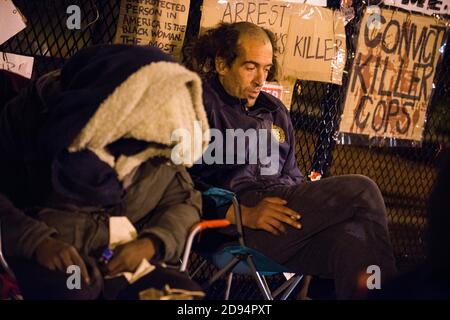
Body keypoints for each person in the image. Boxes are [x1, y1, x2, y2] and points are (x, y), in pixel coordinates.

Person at [184, 22, 397, 299]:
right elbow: (176, 187)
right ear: (222, 64)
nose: (261, 79)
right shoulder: (197, 105)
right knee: (362, 190)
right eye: (250, 67)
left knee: (355, 239)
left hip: (285, 222)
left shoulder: (275, 111)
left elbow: (293, 177)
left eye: (266, 68)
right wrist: (244, 215)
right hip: (236, 228)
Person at [0, 44, 209, 299]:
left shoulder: (160, 142)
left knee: (185, 296)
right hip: (45, 253)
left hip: (124, 259)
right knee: (75, 290)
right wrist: (37, 242)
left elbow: (184, 201)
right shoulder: (33, 121)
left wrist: (152, 243)